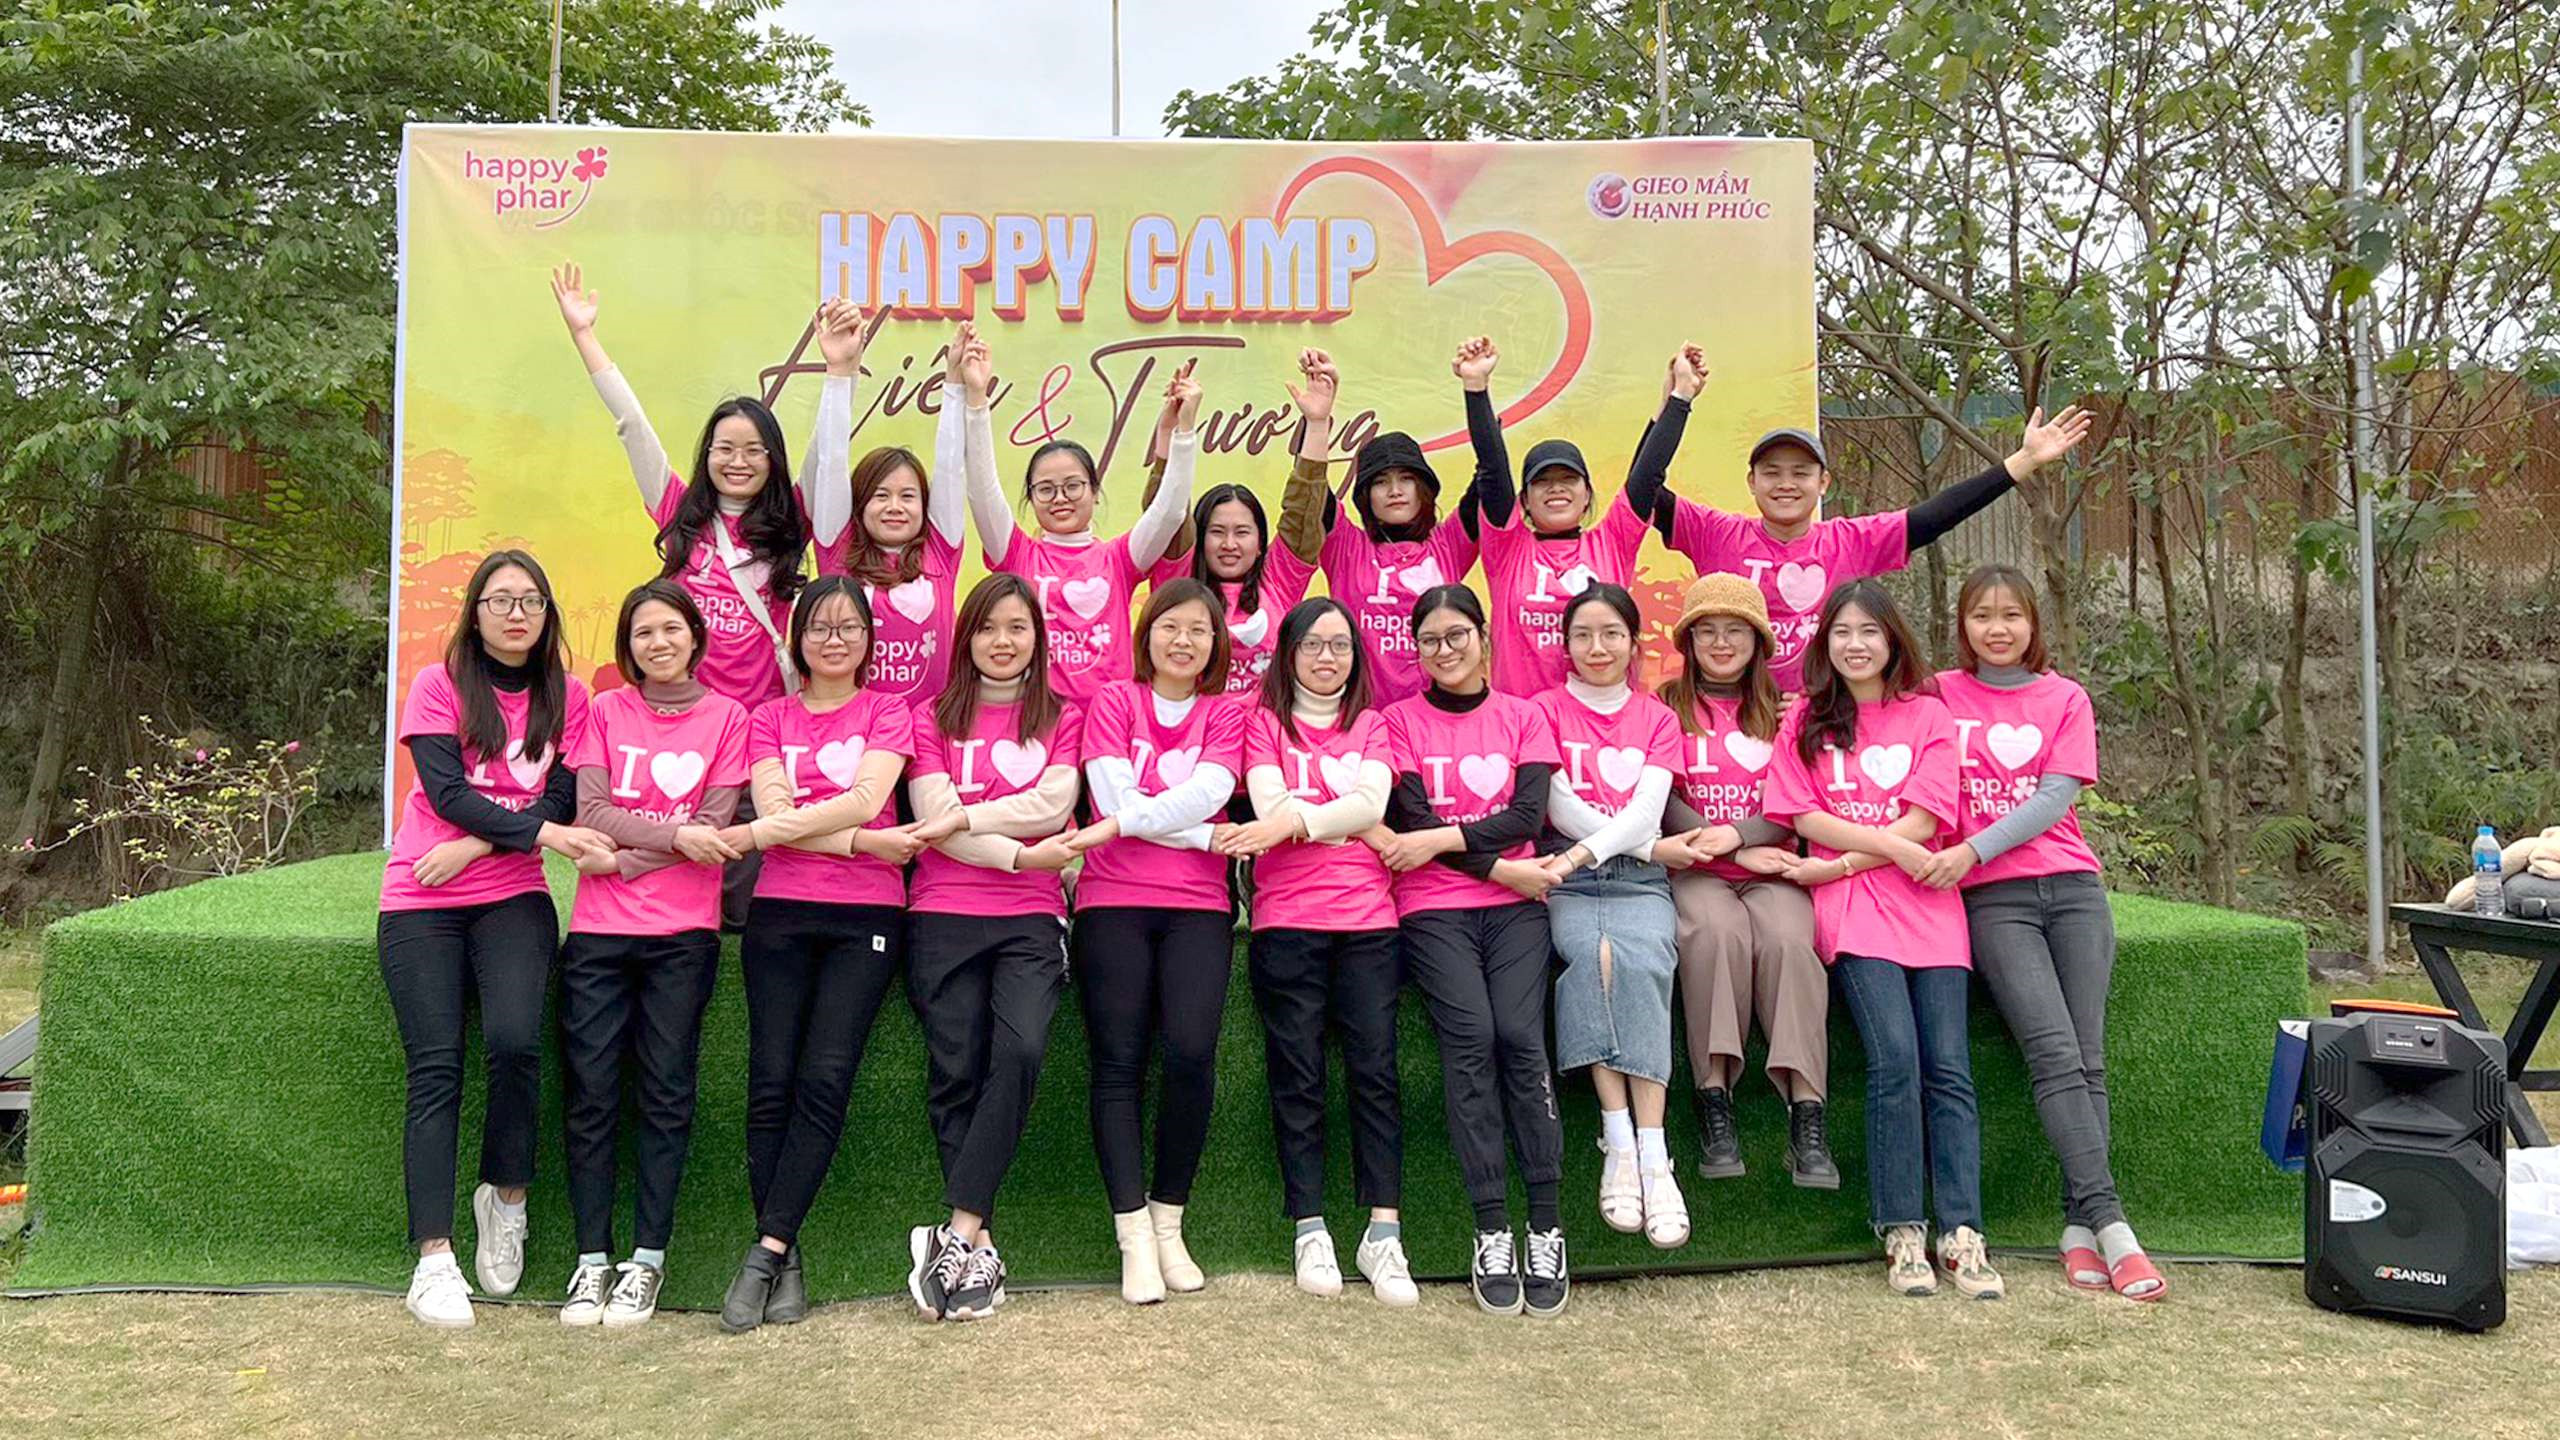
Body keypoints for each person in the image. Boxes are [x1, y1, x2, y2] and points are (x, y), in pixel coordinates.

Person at [553, 265, 871, 924]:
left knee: (745, 897)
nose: (738, 461)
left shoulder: (793, 522)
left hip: (759, 731)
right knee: (678, 863)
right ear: (707, 455)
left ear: (773, 460)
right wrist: (585, 337)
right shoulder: (679, 513)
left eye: (755, 451)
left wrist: (840, 371)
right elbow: (632, 425)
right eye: (725, 448)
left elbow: (828, 457)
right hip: (683, 730)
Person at [378, 551, 615, 1328]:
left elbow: (559, 794)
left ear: (548, 615)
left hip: (511, 892)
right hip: (423, 894)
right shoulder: (439, 684)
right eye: (500, 600)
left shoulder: (570, 696)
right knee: (436, 1067)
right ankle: (434, 1260)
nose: (517, 613)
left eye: (531, 601)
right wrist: (536, 835)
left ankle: (505, 1196)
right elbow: (445, 792)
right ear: (475, 612)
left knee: (515, 1045)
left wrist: (483, 846)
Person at [1924, 565, 2164, 1301]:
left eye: (2011, 615)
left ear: (2034, 623)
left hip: (2073, 889)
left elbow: (2055, 798)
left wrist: (1971, 847)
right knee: (2055, 1054)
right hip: (1994, 902)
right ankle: (2113, 1225)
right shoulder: (1936, 694)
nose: (1997, 629)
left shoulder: (2065, 698)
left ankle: (2077, 1225)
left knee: (2087, 1059)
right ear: (1962, 626)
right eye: (1982, 616)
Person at [1761, 580, 2004, 1300]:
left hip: (1929, 907)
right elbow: (1802, 814)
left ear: (1893, 640)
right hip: (1855, 913)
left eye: (1870, 631)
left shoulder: (1929, 715)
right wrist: (1882, 854)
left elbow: (1927, 821)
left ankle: (1963, 1232)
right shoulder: (1805, 717)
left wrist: (1843, 861)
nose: (1856, 644)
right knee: (1894, 1058)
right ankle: (1902, 1230)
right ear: (1825, 644)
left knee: (1949, 1067)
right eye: (1842, 632)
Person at [710, 577, 918, 1332]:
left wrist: (774, 832)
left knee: (825, 1078)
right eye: (820, 627)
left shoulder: (888, 712)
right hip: (780, 911)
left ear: (868, 640)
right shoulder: (769, 717)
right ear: (797, 639)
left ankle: (765, 1250)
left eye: (849, 627)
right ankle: (785, 1254)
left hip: (867, 916)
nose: (835, 639)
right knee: (771, 1081)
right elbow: (780, 810)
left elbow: (860, 798)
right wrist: (864, 841)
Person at [1641, 343, 2093, 691]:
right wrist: (1675, 401)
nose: (1786, 484)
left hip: (1823, 724)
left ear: (1824, 483)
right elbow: (1642, 489)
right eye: (1772, 473)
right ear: (1751, 483)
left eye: (1801, 473)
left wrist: (2022, 462)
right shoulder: (1717, 534)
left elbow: (1936, 516)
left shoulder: (1849, 542)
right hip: (1737, 722)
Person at [556, 581, 752, 1327]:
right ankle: (591, 1260)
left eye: (671, 629)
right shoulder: (607, 711)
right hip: (599, 934)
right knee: (592, 1093)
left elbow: (717, 827)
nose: (658, 643)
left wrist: (624, 857)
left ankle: (646, 1260)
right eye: (643, 633)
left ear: (695, 637)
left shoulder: (728, 718)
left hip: (683, 936)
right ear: (628, 646)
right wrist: (673, 839)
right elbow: (592, 811)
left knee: (666, 1093)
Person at [1213, 597, 1416, 1305]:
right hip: (1287, 921)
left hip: (1368, 922)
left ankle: (1383, 1232)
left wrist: (1305, 820)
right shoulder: (1264, 723)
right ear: (1289, 653)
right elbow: (1272, 811)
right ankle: (1310, 1227)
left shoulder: (1374, 724)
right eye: (1312, 645)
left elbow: (1372, 804)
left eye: (1340, 645)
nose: (1327, 658)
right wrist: (1342, 820)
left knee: (1375, 1073)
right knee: (1296, 1075)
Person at [1377, 584, 1571, 1317]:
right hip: (1434, 908)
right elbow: (1409, 817)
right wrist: (1500, 867)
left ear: (1484, 639)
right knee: (1471, 1039)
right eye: (1430, 640)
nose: (1445, 650)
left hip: (1518, 908)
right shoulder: (1397, 722)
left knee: (1520, 1036)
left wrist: (1462, 850)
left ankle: (1545, 1224)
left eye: (1457, 635)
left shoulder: (1524, 715)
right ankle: (1491, 1226)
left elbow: (1526, 815)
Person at [900, 573, 1086, 1322]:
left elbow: (1054, 803)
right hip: (941, 909)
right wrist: (1017, 851)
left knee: (1020, 1051)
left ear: (1038, 637)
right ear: (965, 637)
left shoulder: (1063, 716)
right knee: (956, 1071)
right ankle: (978, 1254)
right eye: (987, 627)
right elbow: (931, 813)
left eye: (1017, 627)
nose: (1002, 641)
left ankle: (955, 1231)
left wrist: (965, 818)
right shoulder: (929, 717)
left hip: (1030, 918)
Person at [1060, 578, 1247, 1304]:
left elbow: (1210, 792)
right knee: (1118, 1065)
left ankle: (1169, 1222)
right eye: (1170, 626)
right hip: (1112, 902)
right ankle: (1132, 1233)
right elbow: (1112, 801)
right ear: (1147, 633)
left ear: (1215, 643)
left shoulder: (1225, 712)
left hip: (1198, 906)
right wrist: (1202, 837)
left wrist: (1139, 820)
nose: (1183, 640)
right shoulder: (1115, 701)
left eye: (1199, 629)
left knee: (1191, 1056)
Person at [1653, 573, 1836, 1190]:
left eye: (1736, 631)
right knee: (1714, 934)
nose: (1721, 643)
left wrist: (1744, 839)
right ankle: (1715, 1098)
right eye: (1707, 631)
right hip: (1696, 868)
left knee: (1789, 942)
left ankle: (1806, 1111)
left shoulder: (1785, 712)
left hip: (1771, 867)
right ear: (1689, 640)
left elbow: (1797, 800)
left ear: (1759, 641)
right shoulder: (1665, 705)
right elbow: (1659, 794)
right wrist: (1718, 843)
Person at [1531, 583, 1689, 1248]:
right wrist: (1620, 849)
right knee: (1594, 957)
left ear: (1633, 642)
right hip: (1570, 882)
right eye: (1583, 635)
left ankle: (1655, 1153)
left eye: (1611, 634)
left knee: (1644, 959)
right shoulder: (1541, 710)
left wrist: (1631, 850)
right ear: (1565, 644)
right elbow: (1559, 807)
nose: (1597, 648)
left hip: (1639, 882)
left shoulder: (1657, 717)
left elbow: (1648, 811)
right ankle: (1618, 1139)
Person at [961, 327, 1197, 703]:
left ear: (1094, 492)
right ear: (1030, 498)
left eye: (1073, 486)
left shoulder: (1119, 559)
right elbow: (981, 489)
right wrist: (976, 400)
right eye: (1045, 489)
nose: (1060, 499)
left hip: (1111, 722)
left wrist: (1181, 432)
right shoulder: (1018, 555)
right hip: (1039, 720)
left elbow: (1170, 513)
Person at [1274, 349, 1488, 703]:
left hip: (1434, 719)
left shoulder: (1449, 543)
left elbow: (1490, 476)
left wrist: (1476, 389)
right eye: (1380, 482)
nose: (1394, 491)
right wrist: (1318, 422)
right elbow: (1310, 490)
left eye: (1406, 479)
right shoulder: (1345, 545)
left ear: (1424, 489)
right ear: (1365, 496)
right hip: (1360, 720)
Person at [1458, 337, 1669, 695]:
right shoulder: (1507, 548)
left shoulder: (1612, 542)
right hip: (1522, 722)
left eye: (1568, 479)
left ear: (1587, 495)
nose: (1556, 488)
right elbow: (1492, 469)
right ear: (1524, 501)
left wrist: (1678, 400)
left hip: (1601, 720)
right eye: (1542, 481)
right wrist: (1475, 387)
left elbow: (1648, 475)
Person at [1141, 353, 1323, 697]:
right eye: (1216, 532)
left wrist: (1317, 424)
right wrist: (1172, 430)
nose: (1229, 544)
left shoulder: (1279, 582)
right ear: (1198, 538)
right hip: (1193, 728)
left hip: (1266, 728)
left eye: (1242, 532)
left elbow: (1302, 513)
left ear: (1260, 544)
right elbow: (1166, 511)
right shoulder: (1178, 582)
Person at [824, 328, 972, 703]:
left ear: (925, 506)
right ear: (859, 505)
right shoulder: (838, 552)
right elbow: (831, 461)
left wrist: (955, 383)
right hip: (856, 728)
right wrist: (839, 373)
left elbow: (951, 467)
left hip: (930, 727)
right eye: (880, 496)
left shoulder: (940, 552)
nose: (895, 506)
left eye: (908, 496)